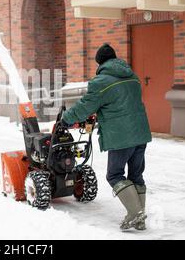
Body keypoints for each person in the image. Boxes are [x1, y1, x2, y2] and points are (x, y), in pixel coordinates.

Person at [61, 43, 152, 231]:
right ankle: (140, 218)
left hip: (121, 136)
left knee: (114, 174)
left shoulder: (101, 81)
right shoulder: (132, 76)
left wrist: (66, 118)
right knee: (136, 174)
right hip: (140, 132)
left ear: (100, 62)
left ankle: (136, 213)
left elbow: (86, 105)